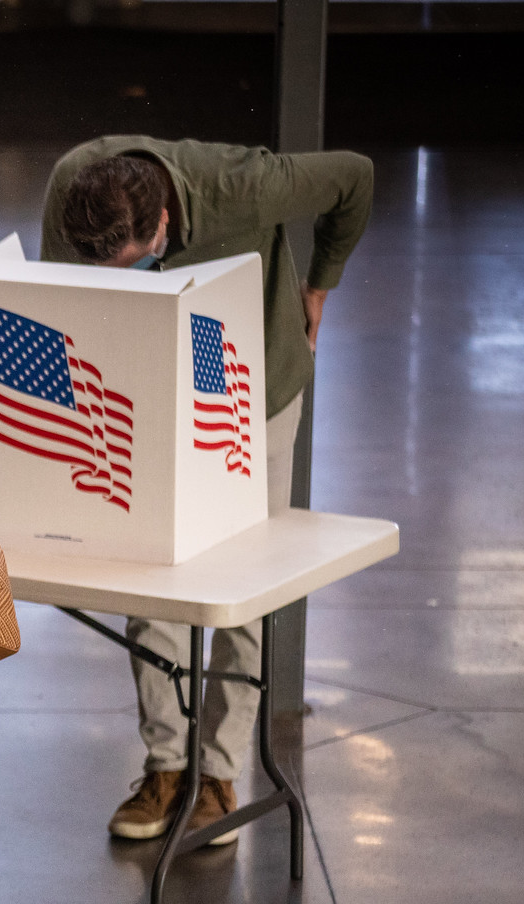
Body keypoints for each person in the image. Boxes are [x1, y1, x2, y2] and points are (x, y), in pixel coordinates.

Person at [41, 138, 373, 844]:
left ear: (163, 226)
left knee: (243, 581)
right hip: (145, 388)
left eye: (132, 264)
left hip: (251, 390)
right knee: (146, 571)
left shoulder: (243, 187)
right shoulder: (73, 186)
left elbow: (355, 179)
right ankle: (166, 764)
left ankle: (219, 774)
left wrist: (318, 286)